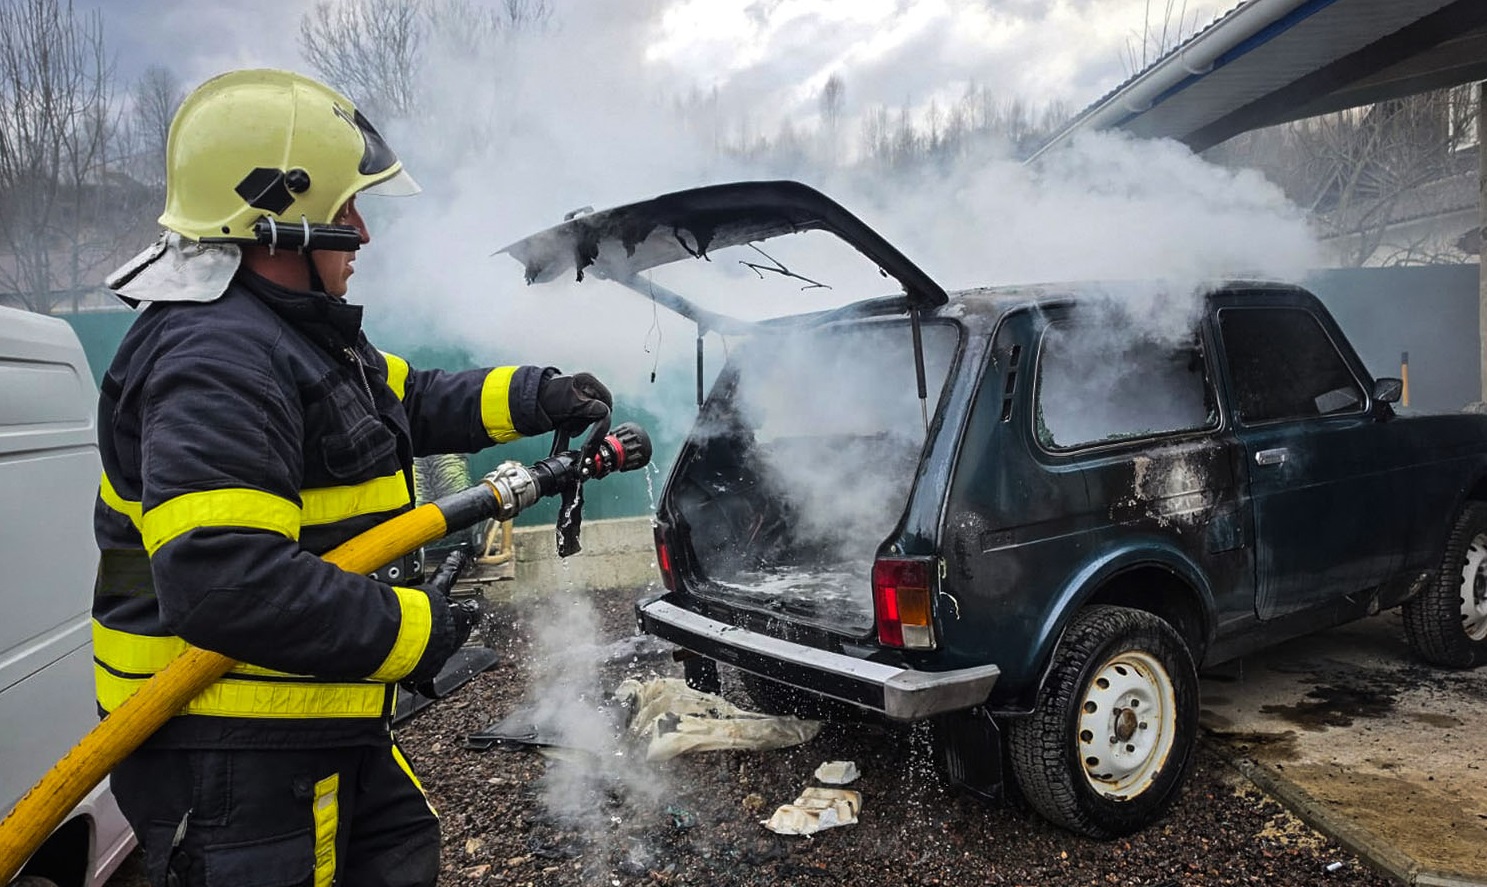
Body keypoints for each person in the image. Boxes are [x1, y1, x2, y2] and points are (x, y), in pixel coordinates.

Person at [91, 69, 611, 887]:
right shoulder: (215, 356)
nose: (362, 234)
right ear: (278, 228)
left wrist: (538, 391)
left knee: (403, 844)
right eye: (343, 212)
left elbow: (408, 397)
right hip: (236, 758)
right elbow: (224, 580)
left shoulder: (284, 335)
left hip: (304, 727)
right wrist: (413, 630)